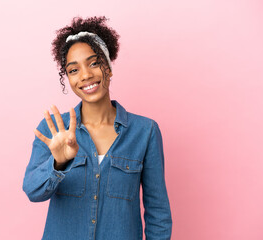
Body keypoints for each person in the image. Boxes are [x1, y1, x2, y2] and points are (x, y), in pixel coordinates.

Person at [22, 16, 172, 240]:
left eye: (93, 63)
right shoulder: (54, 129)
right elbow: (33, 191)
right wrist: (59, 163)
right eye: (73, 70)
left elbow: (158, 212)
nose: (85, 75)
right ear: (69, 79)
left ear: (109, 67)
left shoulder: (145, 131)